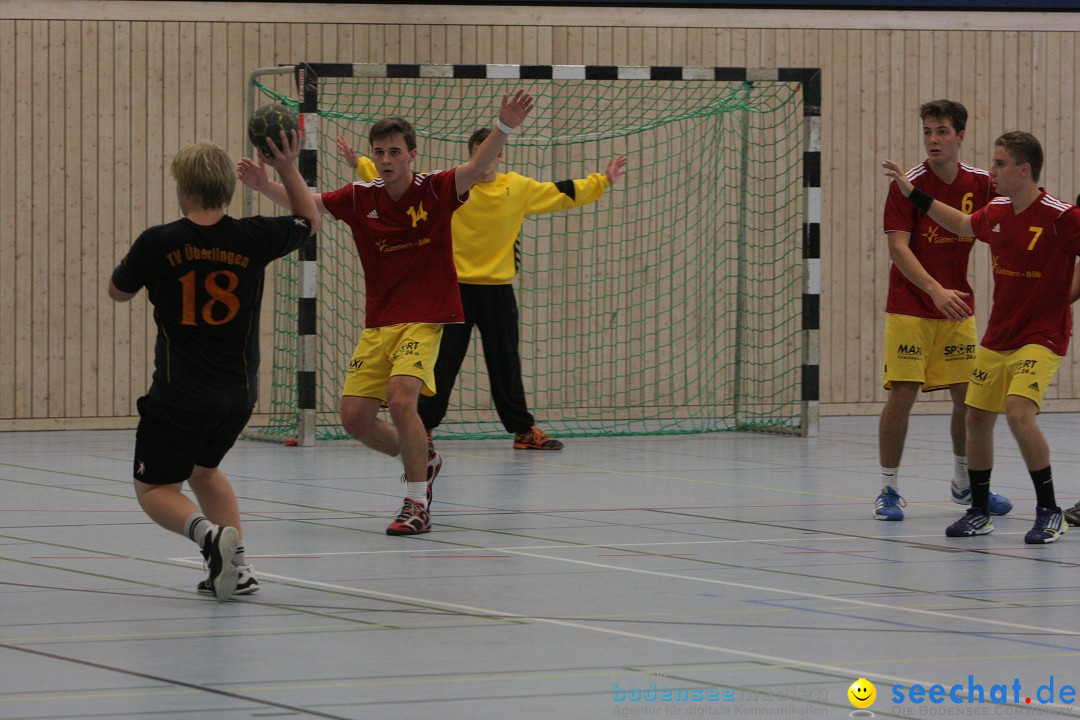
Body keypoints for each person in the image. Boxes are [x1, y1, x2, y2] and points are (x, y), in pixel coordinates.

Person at [241, 90, 535, 536]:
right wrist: (267, 185)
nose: (385, 159)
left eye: (394, 151)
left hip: (426, 315)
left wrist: (505, 126)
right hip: (380, 320)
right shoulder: (361, 197)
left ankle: (416, 502)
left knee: (401, 400)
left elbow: (477, 168)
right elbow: (311, 206)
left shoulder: (436, 188)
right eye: (379, 152)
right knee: (354, 418)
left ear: (412, 154)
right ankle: (423, 458)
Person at [108, 131, 319, 600]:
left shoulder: (157, 242)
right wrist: (286, 167)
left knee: (152, 488)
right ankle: (238, 570)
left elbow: (118, 292)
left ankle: (208, 536)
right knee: (204, 471)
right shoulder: (255, 236)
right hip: (237, 397)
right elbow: (309, 218)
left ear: (184, 189)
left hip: (178, 395)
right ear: (227, 188)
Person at [337, 131, 628, 451]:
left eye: (492, 154)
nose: (487, 160)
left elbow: (561, 191)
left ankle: (522, 430)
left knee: (506, 363)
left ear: (499, 156)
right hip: (453, 290)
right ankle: (424, 429)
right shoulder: (449, 188)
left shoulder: (517, 188)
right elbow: (398, 183)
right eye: (481, 155)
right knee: (440, 365)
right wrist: (360, 163)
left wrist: (602, 181)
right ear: (474, 157)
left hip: (498, 290)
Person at [883, 130, 1080, 543]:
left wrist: (1064, 297)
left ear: (1024, 171)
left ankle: (1049, 511)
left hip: (1041, 335)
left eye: (1000, 163)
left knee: (1018, 412)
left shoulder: (1062, 217)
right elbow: (956, 221)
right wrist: (911, 192)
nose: (991, 170)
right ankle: (977, 509)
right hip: (998, 335)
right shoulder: (997, 213)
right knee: (975, 417)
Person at [875, 100, 1012, 521]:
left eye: (942, 132)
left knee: (969, 400)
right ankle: (889, 488)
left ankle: (964, 483)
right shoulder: (908, 184)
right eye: (928, 132)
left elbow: (1013, 217)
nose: (933, 140)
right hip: (911, 306)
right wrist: (934, 291)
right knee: (903, 393)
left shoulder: (982, 183)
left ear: (960, 137)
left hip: (957, 309)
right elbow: (898, 248)